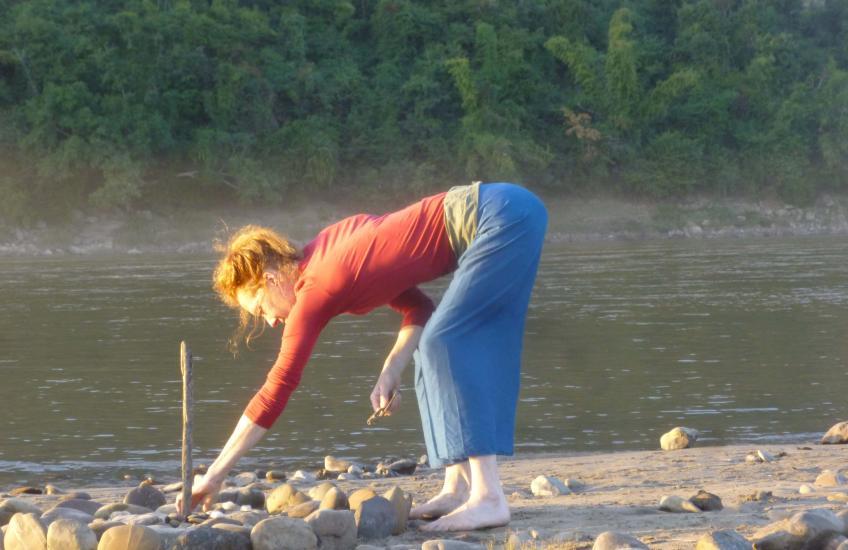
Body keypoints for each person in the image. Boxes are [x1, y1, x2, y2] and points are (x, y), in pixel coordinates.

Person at [177, 182, 547, 531]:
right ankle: (459, 486)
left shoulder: (316, 288)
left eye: (261, 309)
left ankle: (488, 496)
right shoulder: (325, 252)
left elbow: (277, 387)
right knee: (431, 346)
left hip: (501, 215)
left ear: (271, 278)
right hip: (503, 208)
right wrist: (391, 370)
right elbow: (419, 308)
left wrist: (215, 474)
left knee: (446, 342)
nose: (271, 321)